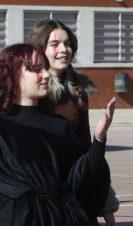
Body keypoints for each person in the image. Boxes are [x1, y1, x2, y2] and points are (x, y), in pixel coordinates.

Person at [0, 43, 115, 226]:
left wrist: (99, 139)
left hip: (59, 217)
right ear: (14, 74)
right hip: (10, 218)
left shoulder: (60, 125)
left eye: (45, 68)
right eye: (37, 69)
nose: (46, 75)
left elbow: (82, 180)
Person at [27, 19, 120, 225]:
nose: (64, 50)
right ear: (39, 49)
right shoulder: (25, 89)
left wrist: (105, 202)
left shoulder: (78, 88)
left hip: (73, 193)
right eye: (55, 44)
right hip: (36, 197)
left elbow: (85, 149)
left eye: (68, 44)